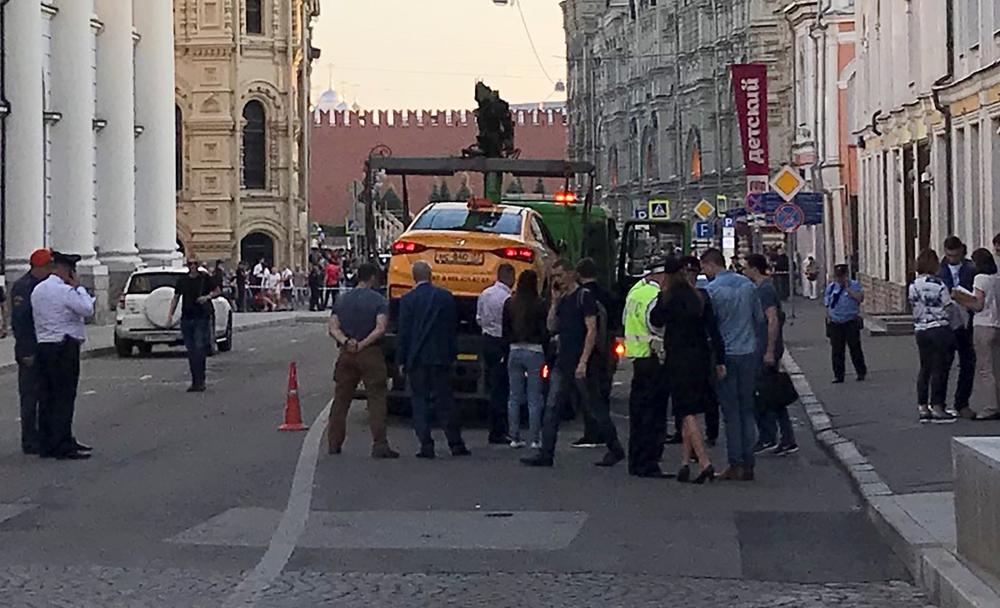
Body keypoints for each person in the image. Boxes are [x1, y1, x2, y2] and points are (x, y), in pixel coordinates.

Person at [521, 259, 625, 468]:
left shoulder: (584, 297)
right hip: (563, 360)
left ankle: (615, 448)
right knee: (552, 407)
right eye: (553, 277)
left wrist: (584, 361)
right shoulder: (564, 299)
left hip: (582, 362)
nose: (556, 280)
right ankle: (546, 453)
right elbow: (552, 327)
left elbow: (591, 330)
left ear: (570, 274)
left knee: (594, 406)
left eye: (559, 275)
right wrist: (554, 302)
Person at [650, 257, 723, 483]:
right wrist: (720, 360)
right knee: (687, 410)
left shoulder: (668, 297)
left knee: (685, 410)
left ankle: (704, 462)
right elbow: (713, 328)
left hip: (678, 358)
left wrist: (661, 294)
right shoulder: (700, 296)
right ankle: (684, 464)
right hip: (701, 356)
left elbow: (656, 321)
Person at [701, 248, 763, 481]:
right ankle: (749, 462)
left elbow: (711, 327)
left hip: (725, 356)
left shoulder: (712, 290)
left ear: (709, 265)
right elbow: (759, 319)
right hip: (748, 353)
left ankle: (735, 462)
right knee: (747, 410)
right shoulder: (748, 286)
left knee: (730, 412)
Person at [397, 261, 469, 458]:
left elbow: (404, 333)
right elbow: (451, 328)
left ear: (414, 277)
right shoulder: (445, 297)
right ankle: (455, 443)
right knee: (445, 401)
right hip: (440, 357)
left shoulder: (407, 300)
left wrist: (401, 360)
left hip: (417, 358)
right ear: (431, 276)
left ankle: (426, 445)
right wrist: (452, 354)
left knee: (419, 402)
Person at [327, 262, 399, 458]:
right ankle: (379, 444)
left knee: (341, 399)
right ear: (373, 278)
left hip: (346, 353)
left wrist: (347, 341)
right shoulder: (378, 300)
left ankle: (334, 443)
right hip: (370, 353)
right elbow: (381, 327)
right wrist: (363, 343)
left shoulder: (342, 300)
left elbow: (333, 327)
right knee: (376, 398)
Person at [31, 251, 95, 460]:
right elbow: (87, 309)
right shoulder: (65, 291)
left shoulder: (38, 290)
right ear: (66, 270)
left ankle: (47, 443)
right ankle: (63, 444)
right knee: (64, 397)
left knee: (47, 397)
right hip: (64, 347)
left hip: (44, 346)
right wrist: (80, 288)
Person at [744, 254, 798, 455]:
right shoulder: (762, 288)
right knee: (770, 394)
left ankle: (770, 437)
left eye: (746, 267)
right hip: (763, 347)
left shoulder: (764, 290)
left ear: (755, 269)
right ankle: (783, 438)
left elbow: (773, 320)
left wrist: (769, 350)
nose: (744, 271)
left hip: (765, 350)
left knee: (766, 395)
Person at [621, 258, 668, 477]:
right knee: (653, 415)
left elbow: (625, 321)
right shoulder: (654, 296)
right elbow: (657, 326)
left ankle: (636, 461)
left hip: (637, 358)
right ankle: (649, 462)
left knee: (638, 414)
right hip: (652, 359)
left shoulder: (634, 292)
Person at [909, 249, 959, 423]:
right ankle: (938, 406)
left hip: (921, 329)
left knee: (925, 368)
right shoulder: (939, 284)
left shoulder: (913, 285)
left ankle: (922, 407)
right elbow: (948, 307)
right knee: (940, 368)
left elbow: (913, 305)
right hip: (939, 329)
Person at [11, 249, 52, 455]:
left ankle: (44, 435)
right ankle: (30, 439)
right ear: (39, 267)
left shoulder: (45, 286)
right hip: (29, 348)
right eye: (48, 266)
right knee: (29, 396)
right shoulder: (23, 287)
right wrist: (27, 350)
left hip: (45, 345)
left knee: (46, 393)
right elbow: (21, 322)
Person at [502, 269, 548, 449]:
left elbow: (504, 330)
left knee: (514, 396)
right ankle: (534, 439)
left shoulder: (510, 303)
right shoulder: (540, 304)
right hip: (535, 351)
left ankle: (515, 437)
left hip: (514, 349)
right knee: (534, 397)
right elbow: (545, 330)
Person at [952, 249, 1000, 421]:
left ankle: (990, 407)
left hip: (982, 324)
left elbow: (978, 304)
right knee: (996, 367)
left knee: (985, 369)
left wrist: (962, 298)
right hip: (997, 324)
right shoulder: (996, 278)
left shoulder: (980, 279)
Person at [574, 258, 617, 448]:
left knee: (588, 392)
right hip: (607, 345)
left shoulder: (580, 295)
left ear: (578, 274)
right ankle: (605, 429)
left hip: (586, 346)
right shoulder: (607, 295)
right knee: (604, 388)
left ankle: (592, 431)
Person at [681, 255, 720, 446]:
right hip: (683, 352)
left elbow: (713, 327)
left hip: (704, 349)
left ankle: (711, 432)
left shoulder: (704, 294)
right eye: (686, 272)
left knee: (709, 392)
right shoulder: (675, 295)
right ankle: (683, 433)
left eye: (693, 273)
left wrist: (719, 357)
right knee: (683, 395)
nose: (690, 277)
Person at [936, 236, 977, 419]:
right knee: (943, 364)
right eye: (949, 255)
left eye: (955, 254)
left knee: (968, 362)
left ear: (962, 251)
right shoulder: (939, 270)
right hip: (945, 322)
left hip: (967, 321)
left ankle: (962, 403)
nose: (952, 258)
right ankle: (939, 403)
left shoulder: (971, 268)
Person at [168, 257, 221, 392]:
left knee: (199, 348)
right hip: (187, 317)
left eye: (194, 264)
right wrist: (170, 316)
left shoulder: (205, 278)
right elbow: (176, 298)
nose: (192, 266)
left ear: (198, 265)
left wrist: (206, 297)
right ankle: (195, 381)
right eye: (190, 264)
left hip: (201, 317)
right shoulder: (183, 280)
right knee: (191, 350)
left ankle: (201, 380)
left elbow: (217, 291)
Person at [477, 263, 515, 445]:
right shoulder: (508, 298)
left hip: (487, 341)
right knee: (501, 387)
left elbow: (478, 318)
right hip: (501, 342)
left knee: (492, 383)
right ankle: (498, 430)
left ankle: (494, 426)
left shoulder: (485, 294)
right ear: (509, 277)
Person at [824, 263, 868, 384]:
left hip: (850, 321)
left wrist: (849, 289)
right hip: (835, 323)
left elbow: (860, 299)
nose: (840, 279)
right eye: (838, 277)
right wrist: (828, 318)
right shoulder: (831, 287)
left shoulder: (855, 285)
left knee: (855, 348)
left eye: (842, 276)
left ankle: (860, 372)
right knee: (837, 350)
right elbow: (828, 305)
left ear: (846, 275)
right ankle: (838, 375)